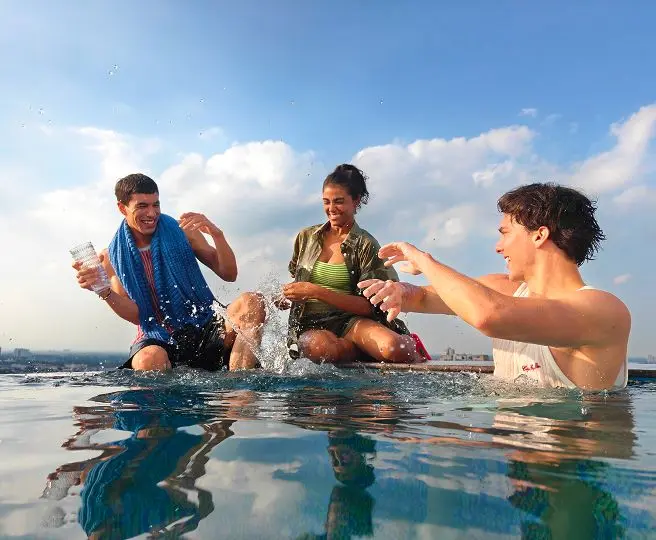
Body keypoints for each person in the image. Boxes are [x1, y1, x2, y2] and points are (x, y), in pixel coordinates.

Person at [359, 183, 630, 391]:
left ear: (539, 235)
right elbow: (422, 297)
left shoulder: (603, 309)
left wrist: (424, 260)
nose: (498, 247)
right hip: (509, 444)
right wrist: (400, 292)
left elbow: (488, 315)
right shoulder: (502, 289)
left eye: (505, 234)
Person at [73, 173, 265, 371]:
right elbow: (137, 316)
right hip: (157, 336)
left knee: (253, 302)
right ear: (122, 208)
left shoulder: (184, 230)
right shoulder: (111, 258)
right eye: (142, 206)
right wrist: (104, 291)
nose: (151, 213)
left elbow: (229, 274)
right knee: (148, 359)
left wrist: (217, 235)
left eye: (155, 204)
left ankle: (239, 385)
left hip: (204, 323)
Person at [280, 164, 427, 364]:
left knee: (395, 349)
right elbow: (298, 284)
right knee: (320, 348)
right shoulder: (306, 237)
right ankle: (358, 350)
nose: (331, 209)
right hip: (311, 325)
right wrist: (285, 296)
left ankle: (405, 342)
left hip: (352, 322)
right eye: (326, 202)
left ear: (356, 200)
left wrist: (317, 292)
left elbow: (371, 307)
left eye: (339, 201)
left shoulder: (366, 245)